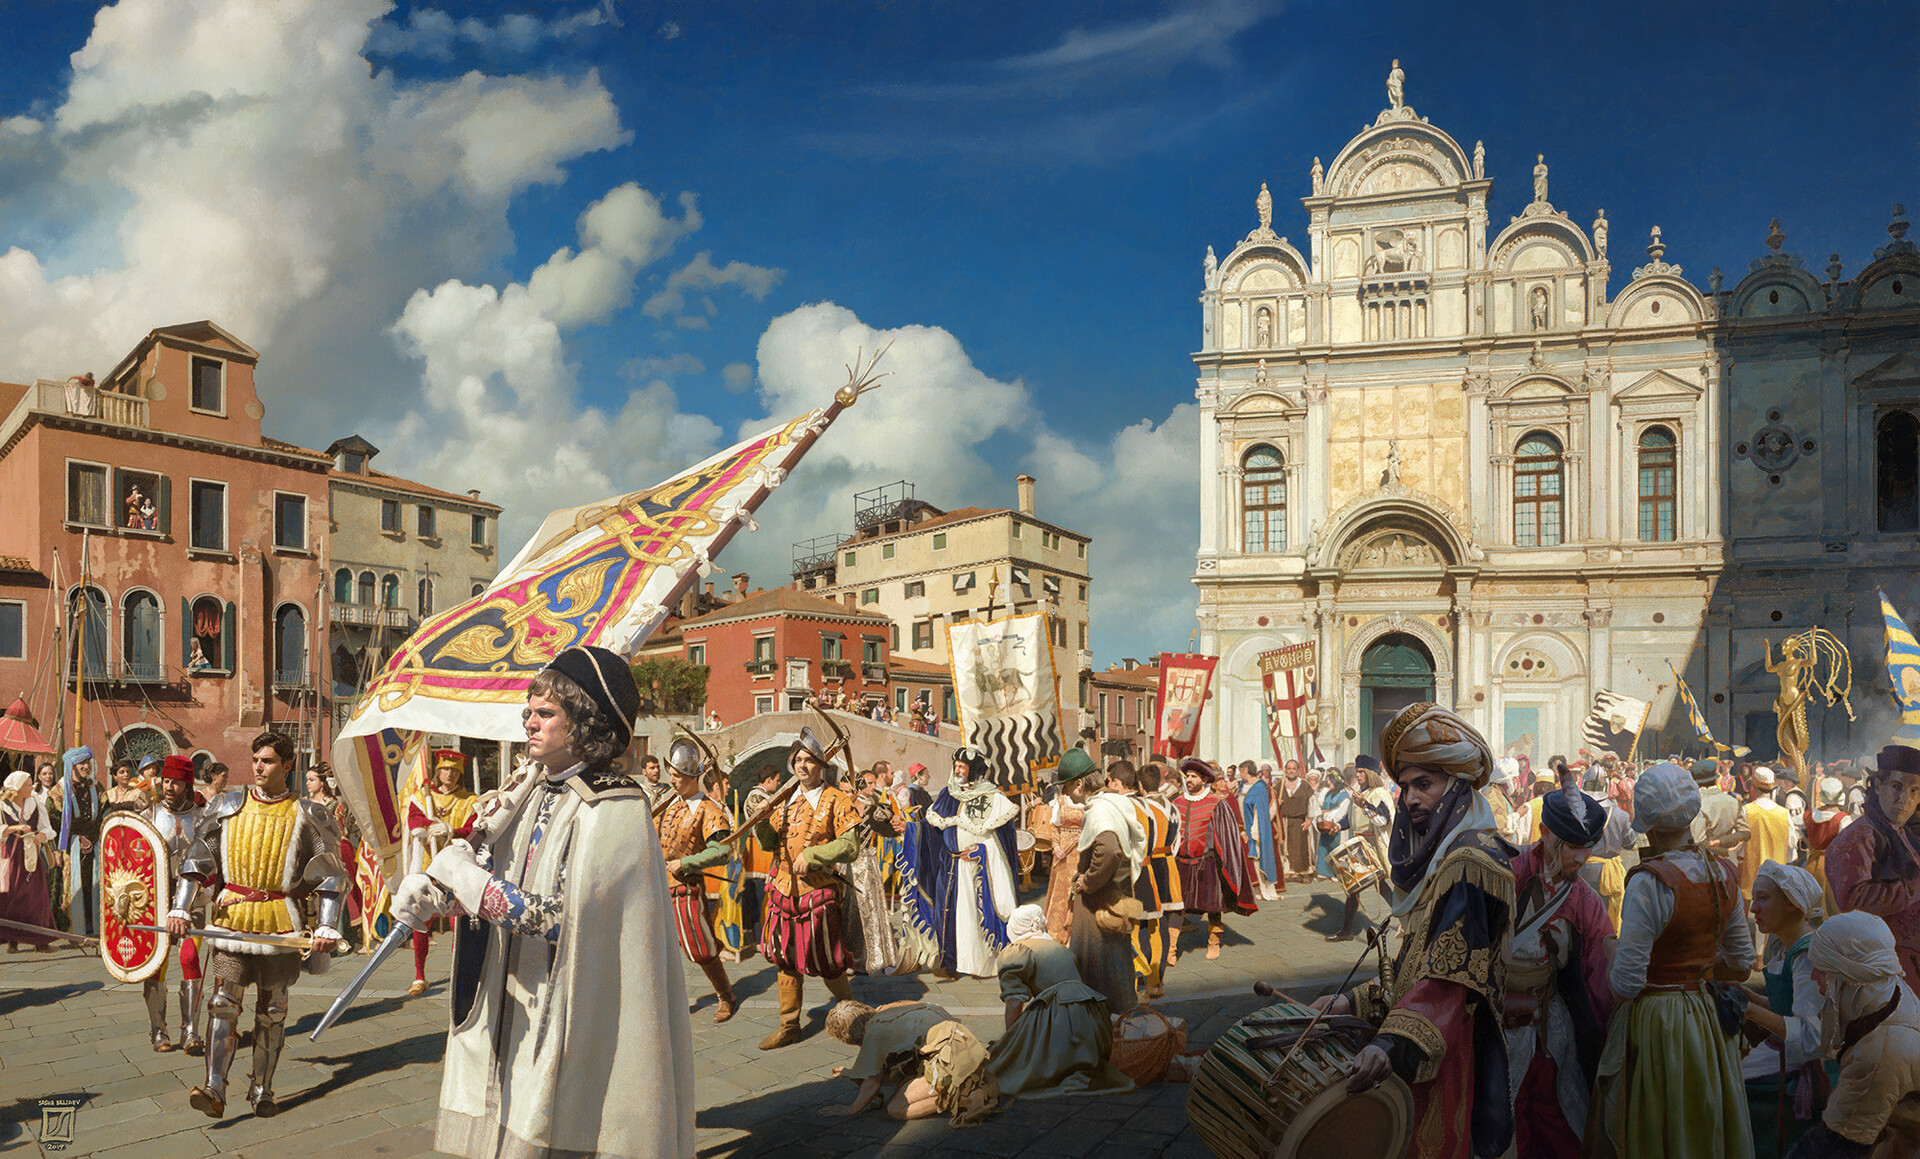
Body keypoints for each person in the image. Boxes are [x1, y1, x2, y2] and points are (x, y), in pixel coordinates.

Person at [386, 644, 696, 1158]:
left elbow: (557, 917)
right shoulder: (526, 790)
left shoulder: (615, 805)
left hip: (570, 1010)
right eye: (528, 711)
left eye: (545, 713)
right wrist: (439, 898)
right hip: (511, 1002)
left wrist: (466, 883)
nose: (529, 721)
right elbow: (498, 880)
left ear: (586, 723)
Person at [1312, 703, 1515, 1159]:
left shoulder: (1470, 860)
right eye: (1404, 786)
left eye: (1424, 784)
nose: (1409, 799)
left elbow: (1450, 979)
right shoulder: (1446, 852)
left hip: (1447, 1048)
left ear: (1457, 786)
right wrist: (1350, 1001)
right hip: (1420, 1035)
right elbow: (1414, 962)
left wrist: (1388, 1042)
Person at [166, 731, 347, 1119]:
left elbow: (331, 873)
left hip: (282, 920)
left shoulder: (308, 812)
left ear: (287, 765)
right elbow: (198, 860)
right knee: (222, 1005)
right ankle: (215, 1087)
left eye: (267, 761)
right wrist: (180, 908)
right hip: (234, 916)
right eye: (256, 760)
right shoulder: (228, 805)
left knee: (273, 1011)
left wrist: (328, 925)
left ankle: (262, 1089)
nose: (258, 767)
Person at [1587, 761, 1754, 1159]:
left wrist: (1610, 949)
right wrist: (1697, 963)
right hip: (1707, 1017)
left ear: (1649, 822)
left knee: (1662, 1123)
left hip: (1658, 1022)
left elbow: (1626, 984)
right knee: (1704, 1117)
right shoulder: (1724, 873)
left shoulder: (1649, 882)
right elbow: (1743, 963)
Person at [1504, 787, 1615, 1159]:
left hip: (1551, 1026)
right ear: (1545, 832)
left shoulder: (1586, 900)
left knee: (1559, 1117)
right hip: (1497, 1027)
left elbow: (1601, 973)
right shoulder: (1507, 874)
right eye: (1572, 846)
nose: (1582, 858)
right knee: (1504, 1121)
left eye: (1588, 847)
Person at [753, 728, 861, 1050]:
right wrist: (761, 821)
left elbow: (850, 845)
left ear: (821, 765)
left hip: (819, 892)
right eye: (797, 760)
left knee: (828, 960)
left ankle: (855, 1019)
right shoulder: (785, 802)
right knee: (784, 958)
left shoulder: (837, 800)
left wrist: (813, 855)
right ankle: (789, 1025)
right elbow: (771, 843)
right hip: (783, 890)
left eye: (809, 760)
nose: (802, 766)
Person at [1783, 911, 1920, 1159]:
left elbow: (1835, 1146)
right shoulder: (1885, 989)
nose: (1814, 976)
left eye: (1822, 969)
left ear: (1849, 977)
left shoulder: (1883, 1050)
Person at [987, 904, 1134, 1099]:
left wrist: (1011, 1043)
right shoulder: (1060, 949)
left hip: (1058, 1016)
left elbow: (1015, 1001)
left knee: (1004, 1066)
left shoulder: (1018, 951)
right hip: (1092, 1020)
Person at [903, 747, 1017, 978]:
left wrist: (982, 851)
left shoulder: (992, 797)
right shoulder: (948, 794)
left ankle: (983, 965)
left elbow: (1001, 841)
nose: (957, 769)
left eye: (962, 766)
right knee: (950, 917)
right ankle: (950, 962)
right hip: (950, 866)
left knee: (974, 918)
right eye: (955, 765)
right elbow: (929, 826)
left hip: (980, 868)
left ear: (974, 770)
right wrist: (908, 828)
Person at [1743, 861, 1830, 1159]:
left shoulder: (1806, 954)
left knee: (1724, 1081)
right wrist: (1747, 996)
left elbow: (1808, 1033)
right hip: (1782, 1046)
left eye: (1764, 898)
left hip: (1798, 1058)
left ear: (1793, 905)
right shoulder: (1783, 946)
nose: (1754, 908)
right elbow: (1786, 1009)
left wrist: (1750, 1011)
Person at [1826, 744, 1920, 995]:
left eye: (1914, 791)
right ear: (1878, 786)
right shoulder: (1860, 837)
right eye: (1897, 787)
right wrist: (1915, 887)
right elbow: (1855, 901)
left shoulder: (1901, 831)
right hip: (1880, 968)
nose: (1904, 800)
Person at [657, 737, 739, 1022]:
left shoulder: (709, 810)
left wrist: (687, 862)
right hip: (659, 887)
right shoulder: (669, 805)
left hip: (687, 888)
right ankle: (669, 1000)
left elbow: (722, 851)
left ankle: (726, 994)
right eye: (671, 772)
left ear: (693, 777)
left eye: (677, 774)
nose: (672, 778)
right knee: (662, 950)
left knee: (702, 949)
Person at [821, 1000, 994, 1122]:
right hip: (964, 1045)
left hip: (951, 1059)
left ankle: (968, 1098)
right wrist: (850, 1072)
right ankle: (963, 1085)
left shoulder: (874, 1033)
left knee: (896, 1109)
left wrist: (851, 1109)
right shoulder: (885, 1010)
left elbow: (872, 1081)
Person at [144, 756, 208, 1053]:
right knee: (155, 964)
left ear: (187, 784)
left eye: (176, 782)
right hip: (155, 899)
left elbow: (211, 860)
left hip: (192, 900)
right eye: (166, 781)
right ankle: (158, 1030)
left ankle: (191, 1030)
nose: (169, 787)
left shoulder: (203, 817)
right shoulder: (148, 814)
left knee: (189, 958)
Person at [402, 749, 478, 997]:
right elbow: (414, 820)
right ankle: (419, 976)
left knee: (460, 925)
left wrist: (450, 831)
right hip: (427, 866)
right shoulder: (423, 798)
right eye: (446, 769)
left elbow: (473, 830)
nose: (450, 774)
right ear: (437, 771)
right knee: (422, 922)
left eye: (455, 771)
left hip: (456, 867)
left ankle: (459, 973)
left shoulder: (470, 800)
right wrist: (428, 825)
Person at [1072, 761, 1146, 1015]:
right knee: (1116, 965)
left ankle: (1107, 1031)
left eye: (1067, 787)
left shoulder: (1099, 810)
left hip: (1101, 903)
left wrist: (1088, 880)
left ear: (1080, 785)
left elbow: (1110, 849)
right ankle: (1121, 1021)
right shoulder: (1113, 803)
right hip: (1115, 897)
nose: (1065, 794)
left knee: (1099, 966)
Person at [1171, 757, 1257, 962]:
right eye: (1188, 776)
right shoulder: (1176, 802)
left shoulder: (1216, 804)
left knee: (1213, 906)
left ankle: (1214, 942)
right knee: (1175, 907)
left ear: (1203, 779)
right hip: (1180, 863)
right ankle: (1171, 949)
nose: (1189, 780)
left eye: (1194, 776)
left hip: (1207, 863)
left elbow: (1227, 837)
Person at [1329, 755, 1394, 943]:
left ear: (1370, 773)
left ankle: (1407, 922)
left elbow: (1383, 820)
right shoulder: (1357, 792)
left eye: (1361, 772)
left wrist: (1364, 804)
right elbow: (1350, 819)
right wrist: (1337, 826)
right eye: (1357, 772)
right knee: (1352, 888)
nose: (1357, 775)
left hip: (1374, 847)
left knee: (1381, 887)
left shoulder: (1380, 793)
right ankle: (1347, 931)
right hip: (1359, 847)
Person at [1127, 763, 1178, 999]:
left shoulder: (1142, 807)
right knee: (1161, 922)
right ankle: (1157, 979)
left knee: (1143, 924)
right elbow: (1178, 838)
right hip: (1168, 862)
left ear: (1139, 784)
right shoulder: (1172, 807)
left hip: (1149, 864)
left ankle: (1144, 977)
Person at [0, 770, 56, 952]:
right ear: (17, 788)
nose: (32, 787)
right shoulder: (2, 806)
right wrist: (15, 827)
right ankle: (12, 940)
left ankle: (41, 941)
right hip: (11, 855)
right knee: (13, 895)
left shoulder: (35, 803)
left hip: (31, 855)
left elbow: (48, 828)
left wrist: (41, 835)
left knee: (36, 896)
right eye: (28, 784)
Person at [1044, 750, 1091, 944]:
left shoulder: (1090, 800)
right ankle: (1057, 935)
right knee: (1061, 894)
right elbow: (1053, 825)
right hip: (1063, 855)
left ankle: (1076, 938)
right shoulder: (1061, 801)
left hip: (1082, 853)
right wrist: (1055, 846)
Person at [58, 747, 102, 943]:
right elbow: (54, 821)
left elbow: (103, 813)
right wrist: (77, 839)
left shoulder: (95, 787)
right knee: (74, 887)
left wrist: (92, 838)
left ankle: (95, 927)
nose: (85, 767)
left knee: (93, 884)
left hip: (94, 844)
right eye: (81, 764)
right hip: (71, 847)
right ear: (71, 766)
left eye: (87, 763)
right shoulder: (59, 791)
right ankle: (75, 930)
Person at [1745, 767, 1797, 900]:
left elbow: (1738, 845)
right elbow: (1791, 843)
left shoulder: (1746, 810)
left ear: (1754, 787)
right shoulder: (1783, 813)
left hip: (1751, 875)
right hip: (1777, 876)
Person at [1694, 757, 1754, 866]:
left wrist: (1718, 845)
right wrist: (1722, 843)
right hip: (1729, 863)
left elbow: (1698, 842)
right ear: (1717, 780)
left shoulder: (1696, 803)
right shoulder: (1733, 802)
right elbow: (1745, 833)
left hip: (1703, 865)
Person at [1806, 776, 1850, 916]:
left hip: (1812, 864)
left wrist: (1812, 847)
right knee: (1832, 908)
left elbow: (1801, 833)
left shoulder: (1810, 814)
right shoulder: (1843, 819)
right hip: (1834, 867)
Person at [31, 760, 67, 932]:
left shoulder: (58, 793)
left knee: (56, 882)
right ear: (38, 776)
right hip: (39, 841)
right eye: (44, 773)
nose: (48, 776)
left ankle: (54, 921)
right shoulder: (34, 794)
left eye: (50, 773)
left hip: (56, 838)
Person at [1238, 762, 1279, 901]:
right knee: (1253, 860)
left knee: (1261, 858)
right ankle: (1259, 890)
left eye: (1241, 771)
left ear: (1245, 770)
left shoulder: (1259, 786)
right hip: (1247, 827)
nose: (1240, 774)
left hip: (1257, 828)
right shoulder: (1243, 786)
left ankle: (1267, 890)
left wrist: (1255, 830)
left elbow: (1260, 811)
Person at [1278, 760, 1314, 883]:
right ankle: (1287, 872)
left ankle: (1303, 872)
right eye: (1289, 768)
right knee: (1285, 848)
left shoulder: (1305, 785)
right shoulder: (1279, 785)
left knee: (1300, 847)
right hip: (1284, 821)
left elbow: (1312, 803)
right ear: (1285, 770)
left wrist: (1309, 820)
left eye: (1293, 769)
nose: (1291, 771)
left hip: (1299, 821)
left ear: (1298, 770)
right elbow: (1270, 801)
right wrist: (1277, 803)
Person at [1315, 769, 1352, 878]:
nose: (1327, 782)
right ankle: (1323, 872)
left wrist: (1328, 816)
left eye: (1329, 779)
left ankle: (1335, 873)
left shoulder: (1344, 795)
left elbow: (1342, 811)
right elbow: (1321, 804)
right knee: (1323, 847)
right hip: (1325, 825)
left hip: (1335, 825)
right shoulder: (1328, 793)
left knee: (1335, 849)